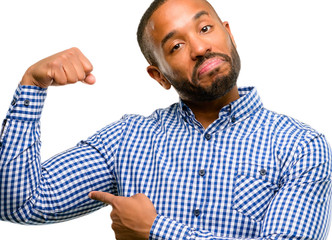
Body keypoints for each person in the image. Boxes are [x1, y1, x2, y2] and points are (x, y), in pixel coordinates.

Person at [0, 0, 331, 239]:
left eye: (205, 28)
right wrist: (32, 85)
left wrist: (156, 230)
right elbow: (20, 203)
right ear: (159, 76)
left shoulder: (301, 146)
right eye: (175, 46)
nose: (200, 48)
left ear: (228, 34)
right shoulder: (127, 140)